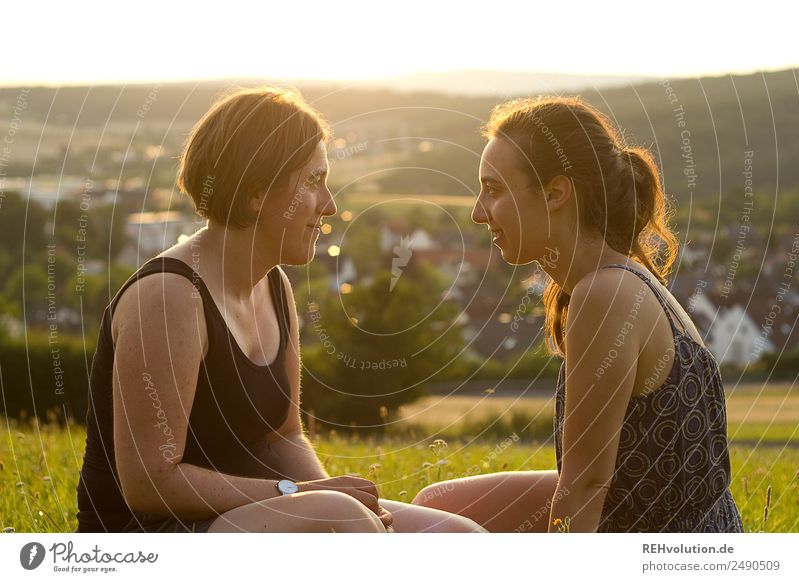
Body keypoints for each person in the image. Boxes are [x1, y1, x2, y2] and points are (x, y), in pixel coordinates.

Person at [75, 87, 484, 533]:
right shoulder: (169, 297)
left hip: (245, 517)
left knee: (457, 536)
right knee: (341, 519)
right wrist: (302, 496)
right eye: (313, 181)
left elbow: (283, 435)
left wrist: (341, 499)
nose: (329, 204)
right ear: (257, 193)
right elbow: (149, 485)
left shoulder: (273, 285)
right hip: (149, 538)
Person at [412, 96, 744, 533]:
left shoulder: (605, 294)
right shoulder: (620, 278)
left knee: (429, 532)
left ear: (555, 193)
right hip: (674, 527)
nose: (477, 212)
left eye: (493, 190)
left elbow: (586, 484)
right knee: (437, 504)